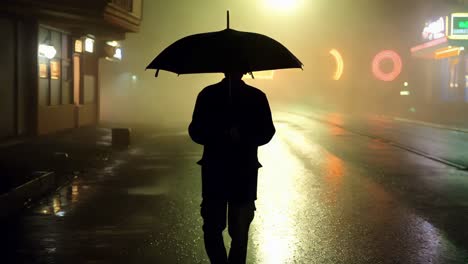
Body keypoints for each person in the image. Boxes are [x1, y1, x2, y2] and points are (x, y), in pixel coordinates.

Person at [189, 72, 276, 264]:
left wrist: (222, 135)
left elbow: (195, 131)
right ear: (245, 71)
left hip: (215, 171)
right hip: (243, 171)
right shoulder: (256, 96)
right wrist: (239, 136)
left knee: (214, 227)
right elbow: (267, 132)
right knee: (239, 231)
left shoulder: (208, 95)